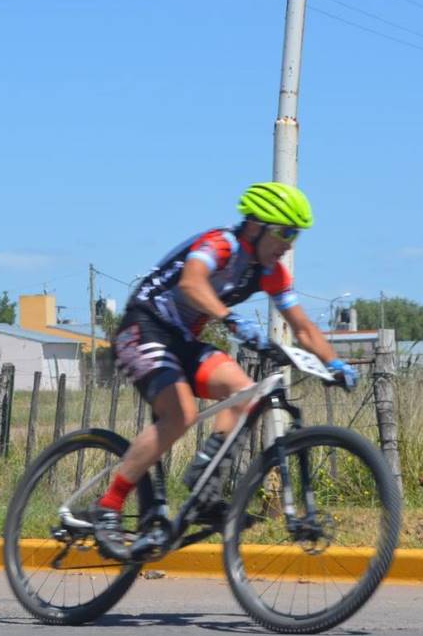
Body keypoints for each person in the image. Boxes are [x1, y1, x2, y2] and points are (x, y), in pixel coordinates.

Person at [93, 182, 359, 561]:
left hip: (183, 338)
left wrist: (334, 363)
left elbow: (303, 328)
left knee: (244, 392)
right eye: (284, 232)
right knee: (181, 414)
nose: (289, 243)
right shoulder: (221, 244)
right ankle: (109, 506)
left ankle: (204, 489)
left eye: (295, 235)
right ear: (255, 226)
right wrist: (232, 321)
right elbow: (192, 281)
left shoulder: (269, 272)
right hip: (143, 326)